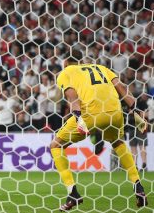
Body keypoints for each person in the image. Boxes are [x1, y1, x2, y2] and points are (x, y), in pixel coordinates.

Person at [50, 50, 148, 211]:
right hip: (115, 114)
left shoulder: (66, 72)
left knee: (56, 145)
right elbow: (122, 89)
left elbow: (73, 98)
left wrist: (78, 118)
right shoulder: (101, 68)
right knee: (118, 142)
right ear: (81, 61)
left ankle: (72, 193)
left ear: (65, 62)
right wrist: (136, 112)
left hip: (90, 114)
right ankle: (138, 186)